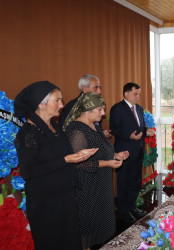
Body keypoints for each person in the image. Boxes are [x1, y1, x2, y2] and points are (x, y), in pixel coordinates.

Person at [14, 81, 98, 250]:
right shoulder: (28, 133)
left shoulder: (55, 127)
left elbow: (62, 156)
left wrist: (79, 156)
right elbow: (28, 171)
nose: (62, 105)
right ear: (41, 105)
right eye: (57, 101)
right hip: (45, 203)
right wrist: (66, 160)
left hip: (64, 197)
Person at [63, 92, 129, 249]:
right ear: (88, 109)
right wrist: (107, 163)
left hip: (99, 185)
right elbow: (79, 163)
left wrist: (116, 155)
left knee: (98, 226)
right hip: (86, 189)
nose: (103, 113)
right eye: (100, 109)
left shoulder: (92, 125)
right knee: (87, 230)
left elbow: (100, 150)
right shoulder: (77, 131)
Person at [109, 82, 154, 224]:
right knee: (124, 182)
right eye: (135, 94)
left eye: (139, 94)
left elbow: (140, 127)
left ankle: (132, 207)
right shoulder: (117, 108)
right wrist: (129, 136)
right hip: (124, 152)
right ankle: (123, 211)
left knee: (135, 181)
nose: (138, 97)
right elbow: (114, 129)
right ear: (126, 94)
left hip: (138, 150)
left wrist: (146, 131)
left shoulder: (140, 108)